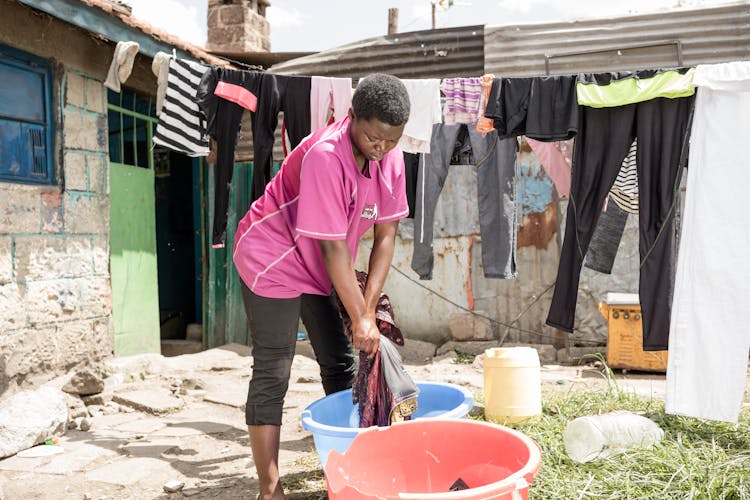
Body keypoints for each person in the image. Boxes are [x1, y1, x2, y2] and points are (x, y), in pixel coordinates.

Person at [232, 73, 411, 500]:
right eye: (372, 138)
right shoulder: (325, 156)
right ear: (350, 117)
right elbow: (333, 250)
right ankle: (270, 488)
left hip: (318, 264)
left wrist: (365, 312)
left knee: (340, 363)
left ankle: (354, 467)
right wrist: (359, 317)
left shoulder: (392, 158)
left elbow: (385, 237)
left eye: (390, 140)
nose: (380, 148)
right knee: (274, 369)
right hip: (272, 256)